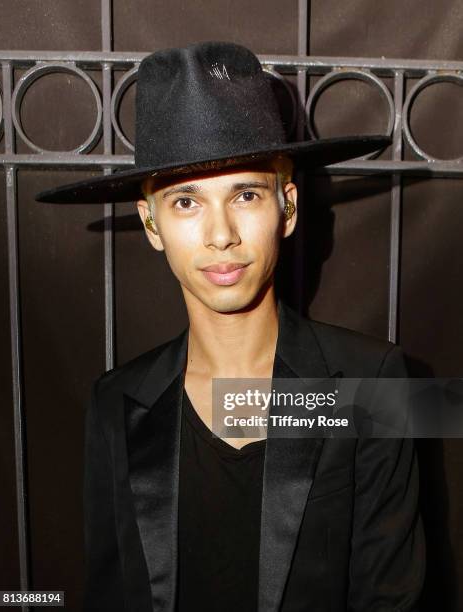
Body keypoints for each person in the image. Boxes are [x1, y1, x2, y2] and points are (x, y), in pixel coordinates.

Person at [36, 41, 425, 611]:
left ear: (287, 207)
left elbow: (393, 598)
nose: (221, 234)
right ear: (151, 223)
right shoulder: (116, 401)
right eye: (186, 202)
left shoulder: (373, 384)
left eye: (245, 194)